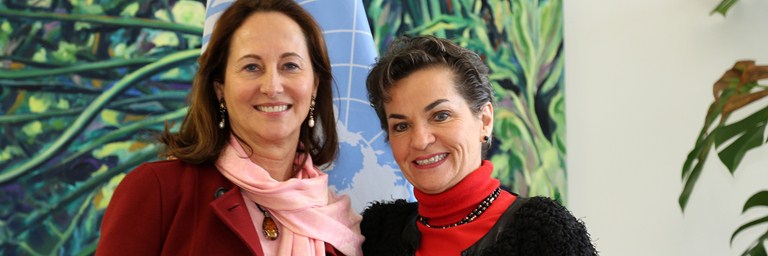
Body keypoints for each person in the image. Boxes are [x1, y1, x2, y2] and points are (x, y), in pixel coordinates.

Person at [96, 0, 363, 255]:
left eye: (290, 66)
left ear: (314, 85)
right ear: (220, 87)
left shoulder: (340, 224)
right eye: (252, 67)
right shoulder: (157, 191)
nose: (272, 87)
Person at [361, 35, 597, 255]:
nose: (421, 141)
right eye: (401, 126)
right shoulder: (378, 234)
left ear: (484, 120)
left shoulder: (545, 234)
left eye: (441, 115)